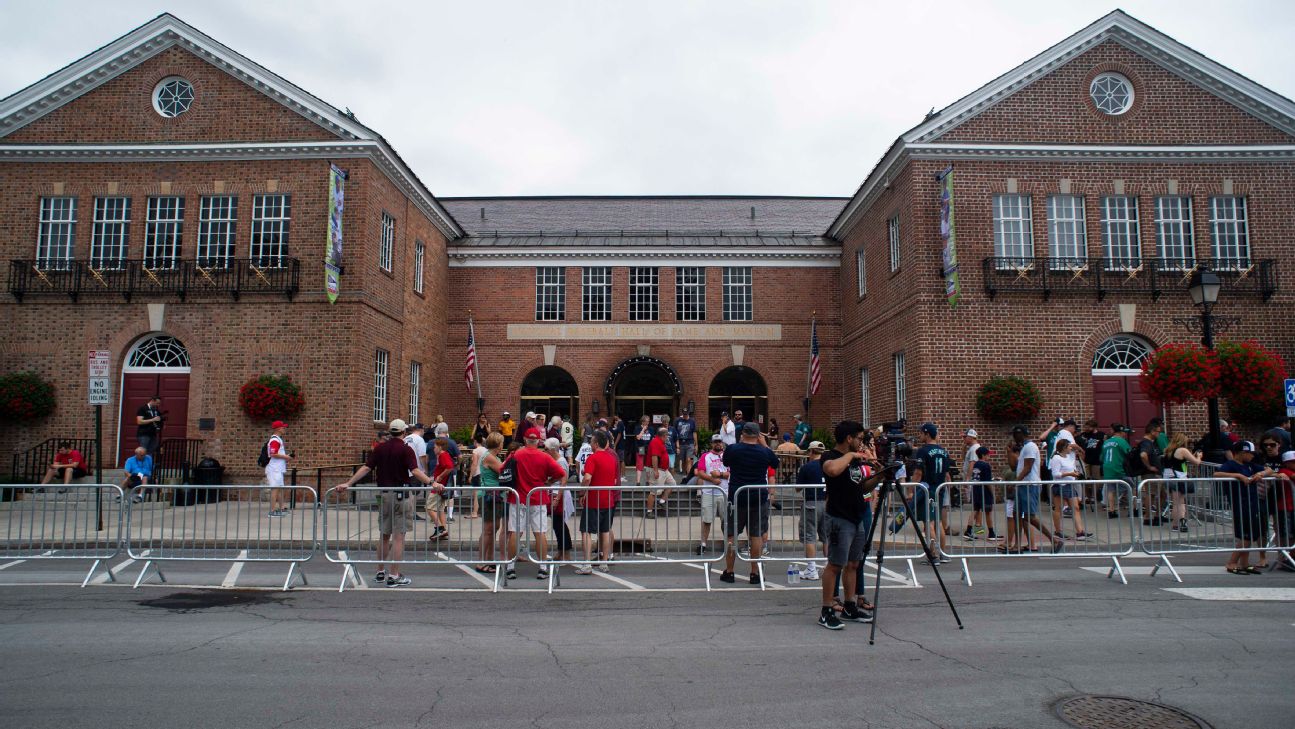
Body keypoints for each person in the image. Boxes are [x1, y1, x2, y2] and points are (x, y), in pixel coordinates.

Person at [337, 420, 437, 587]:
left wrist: (349, 483)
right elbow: (415, 471)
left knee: (384, 534)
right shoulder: (406, 449)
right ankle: (394, 575)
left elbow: (366, 468)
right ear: (404, 432)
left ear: (390, 432)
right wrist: (431, 482)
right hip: (401, 495)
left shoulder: (380, 448)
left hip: (384, 495)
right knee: (399, 537)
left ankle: (380, 571)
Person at [817, 420, 885, 630]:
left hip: (857, 516)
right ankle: (826, 609)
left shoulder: (854, 461)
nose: (860, 442)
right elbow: (832, 471)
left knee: (854, 564)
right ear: (848, 439)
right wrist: (851, 456)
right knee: (835, 564)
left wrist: (881, 475)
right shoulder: (831, 457)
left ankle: (849, 604)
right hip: (839, 517)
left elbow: (862, 486)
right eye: (858, 438)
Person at [503, 429, 568, 580]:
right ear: (539, 441)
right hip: (538, 498)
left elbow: (502, 470)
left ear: (525, 439)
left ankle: (511, 567)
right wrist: (549, 482)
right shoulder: (544, 456)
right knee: (540, 533)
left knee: (515, 532)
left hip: (518, 498)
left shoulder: (515, 455)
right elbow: (561, 473)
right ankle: (543, 567)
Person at [720, 421, 779, 585]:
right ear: (758, 435)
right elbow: (775, 463)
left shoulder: (733, 449)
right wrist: (765, 445)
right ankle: (755, 572)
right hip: (758, 498)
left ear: (743, 433)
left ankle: (730, 571)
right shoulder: (764, 452)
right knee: (756, 535)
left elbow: (726, 462)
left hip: (737, 497)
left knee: (732, 534)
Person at [1216, 441, 1273, 575]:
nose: (1253, 456)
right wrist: (1238, 475)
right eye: (1250, 454)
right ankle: (1232, 562)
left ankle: (1245, 563)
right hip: (1240, 504)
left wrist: (1261, 474)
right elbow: (1217, 474)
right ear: (1242, 453)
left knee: (1251, 535)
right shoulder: (1231, 465)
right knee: (1245, 536)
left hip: (1252, 503)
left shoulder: (1250, 465)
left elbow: (1269, 469)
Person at [1008, 424, 1062, 553]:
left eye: (1016, 434)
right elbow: (1014, 467)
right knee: (1018, 515)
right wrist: (1009, 452)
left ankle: (1053, 539)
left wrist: (1015, 482)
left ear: (1021, 434)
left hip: (1030, 486)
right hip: (1023, 486)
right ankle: (1017, 545)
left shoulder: (1030, 447)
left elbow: (1027, 467)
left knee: (1029, 516)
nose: (1014, 437)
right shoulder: (1025, 448)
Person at [576, 431, 620, 574]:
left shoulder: (593, 458)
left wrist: (582, 492)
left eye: (591, 442)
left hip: (593, 500)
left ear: (595, 444)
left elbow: (587, 478)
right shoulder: (612, 458)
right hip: (608, 499)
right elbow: (613, 479)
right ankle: (604, 562)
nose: (590, 444)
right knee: (605, 531)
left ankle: (587, 564)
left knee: (586, 531)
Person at [911, 422, 952, 563]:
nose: (920, 435)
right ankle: (943, 553)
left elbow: (918, 472)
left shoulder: (923, 451)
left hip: (927, 489)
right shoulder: (944, 451)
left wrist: (911, 489)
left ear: (927, 434)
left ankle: (933, 554)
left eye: (921, 433)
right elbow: (947, 474)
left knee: (928, 522)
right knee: (938, 521)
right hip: (940, 488)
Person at [473, 433, 507, 573]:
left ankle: (489, 558)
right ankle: (482, 561)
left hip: (494, 495)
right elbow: (504, 472)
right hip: (490, 495)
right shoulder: (490, 457)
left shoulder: (491, 456)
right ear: (499, 444)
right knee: (489, 529)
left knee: (493, 528)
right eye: (502, 443)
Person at [795, 441, 828, 581]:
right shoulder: (829, 465)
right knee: (827, 536)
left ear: (811, 452)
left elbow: (798, 488)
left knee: (809, 536)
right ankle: (829, 565)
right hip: (828, 502)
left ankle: (811, 569)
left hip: (811, 503)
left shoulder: (807, 467)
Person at [1162, 432, 1205, 533]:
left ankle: (1176, 524)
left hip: (1168, 478)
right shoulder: (1182, 450)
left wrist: (1192, 455)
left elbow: (1178, 461)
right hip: (1179, 478)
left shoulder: (1168, 450)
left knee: (1176, 502)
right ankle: (1178, 524)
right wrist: (1199, 456)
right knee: (1179, 503)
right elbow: (1196, 462)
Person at [695, 435, 729, 555]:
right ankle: (703, 544)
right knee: (707, 520)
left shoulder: (727, 455)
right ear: (711, 444)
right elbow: (700, 472)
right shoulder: (705, 456)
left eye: (719, 441)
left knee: (726, 520)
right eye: (715, 442)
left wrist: (719, 475)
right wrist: (712, 479)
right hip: (709, 492)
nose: (718, 444)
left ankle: (728, 543)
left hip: (725, 492)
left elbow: (732, 472)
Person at [544, 437, 575, 570]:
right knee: (557, 525)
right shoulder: (554, 460)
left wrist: (557, 498)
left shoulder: (561, 461)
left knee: (560, 524)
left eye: (546, 449)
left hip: (559, 494)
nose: (544, 451)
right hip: (554, 493)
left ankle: (566, 554)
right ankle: (560, 552)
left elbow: (563, 479)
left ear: (552, 449)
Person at [1049, 439, 1088, 540]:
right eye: (1069, 446)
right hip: (1060, 485)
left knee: (1075, 507)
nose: (1071, 448)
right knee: (1058, 508)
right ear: (1064, 448)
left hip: (1070, 484)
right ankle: (1058, 531)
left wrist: (1074, 473)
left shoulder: (1069, 457)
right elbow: (1055, 474)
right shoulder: (1056, 458)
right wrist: (1070, 474)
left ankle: (1080, 532)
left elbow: (1074, 464)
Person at [964, 446, 998, 541]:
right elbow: (987, 482)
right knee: (988, 512)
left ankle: (969, 530)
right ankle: (991, 533)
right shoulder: (986, 465)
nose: (989, 456)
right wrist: (992, 493)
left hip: (976, 490)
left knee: (975, 511)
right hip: (984, 492)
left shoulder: (976, 464)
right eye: (987, 455)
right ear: (983, 455)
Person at [1101, 424, 1133, 519]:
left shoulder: (1106, 442)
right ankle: (1134, 509)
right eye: (1124, 432)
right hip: (1119, 468)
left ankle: (1112, 511)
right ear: (1121, 432)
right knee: (1132, 488)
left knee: (1111, 489)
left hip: (1107, 468)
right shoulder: (1121, 441)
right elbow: (1129, 453)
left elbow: (1101, 457)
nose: (1125, 434)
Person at [426, 437, 455, 541]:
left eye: (434, 447)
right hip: (441, 486)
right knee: (440, 509)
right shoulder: (443, 455)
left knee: (429, 507)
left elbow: (449, 467)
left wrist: (440, 477)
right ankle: (444, 530)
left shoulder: (443, 455)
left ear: (439, 447)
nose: (433, 449)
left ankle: (440, 528)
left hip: (439, 486)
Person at [1136, 421, 1165, 527]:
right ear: (1152, 431)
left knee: (1162, 494)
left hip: (1156, 473)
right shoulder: (1146, 442)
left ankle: (1158, 515)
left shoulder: (1151, 442)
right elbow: (1143, 455)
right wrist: (1149, 466)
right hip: (1150, 474)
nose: (1159, 434)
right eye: (1158, 432)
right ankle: (1148, 517)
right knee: (1151, 494)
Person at [644, 427, 676, 516]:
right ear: (664, 435)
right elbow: (654, 457)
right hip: (657, 469)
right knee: (653, 492)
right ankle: (649, 512)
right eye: (667, 436)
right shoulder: (655, 442)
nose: (668, 438)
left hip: (664, 470)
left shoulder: (660, 442)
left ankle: (661, 501)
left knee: (672, 484)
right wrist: (655, 471)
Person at [264, 421, 293, 518]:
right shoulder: (275, 440)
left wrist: (286, 457)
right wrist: (286, 457)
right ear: (277, 429)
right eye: (283, 427)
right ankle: (272, 511)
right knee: (275, 489)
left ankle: (282, 508)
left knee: (280, 489)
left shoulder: (278, 439)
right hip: (274, 469)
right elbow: (273, 454)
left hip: (277, 469)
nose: (284, 429)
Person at [1273, 451, 1295, 571]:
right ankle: (1285, 559)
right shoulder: (1284, 471)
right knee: (1287, 534)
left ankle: (1291, 557)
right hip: (1285, 507)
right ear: (1287, 463)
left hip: (1292, 506)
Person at [467, 432, 488, 519]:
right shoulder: (486, 450)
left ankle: (475, 512)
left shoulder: (476, 450)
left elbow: (474, 463)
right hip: (485, 473)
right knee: (483, 492)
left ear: (475, 441)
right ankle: (482, 511)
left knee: (476, 493)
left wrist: (471, 475)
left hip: (477, 473)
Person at [673, 410, 698, 480]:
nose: (685, 416)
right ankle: (685, 474)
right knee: (683, 460)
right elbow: (675, 432)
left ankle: (688, 475)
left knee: (689, 459)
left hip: (690, 443)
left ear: (688, 414)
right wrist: (676, 444)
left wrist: (696, 444)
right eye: (684, 414)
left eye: (686, 414)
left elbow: (694, 432)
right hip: (681, 443)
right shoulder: (678, 420)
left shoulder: (692, 421)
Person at [633, 415, 653, 486]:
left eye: (648, 421)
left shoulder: (651, 429)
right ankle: (638, 482)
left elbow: (652, 439)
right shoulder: (637, 428)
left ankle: (648, 481)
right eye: (646, 421)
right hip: (641, 447)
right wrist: (643, 429)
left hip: (648, 448)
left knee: (648, 465)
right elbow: (638, 437)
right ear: (642, 421)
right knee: (640, 464)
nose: (647, 423)